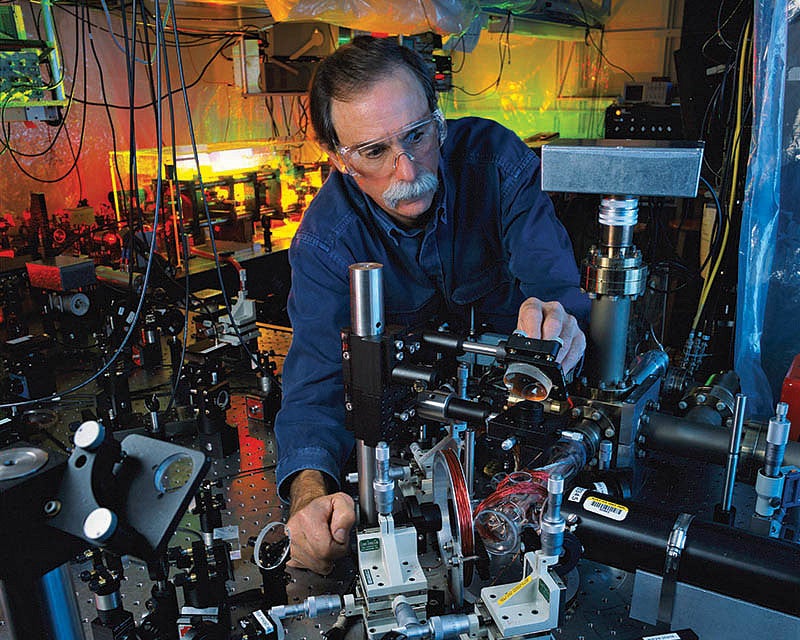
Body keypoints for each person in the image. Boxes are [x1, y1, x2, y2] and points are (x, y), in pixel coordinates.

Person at [274, 36, 591, 574]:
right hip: (415, 454)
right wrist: (309, 496)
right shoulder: (327, 244)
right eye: (375, 151)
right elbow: (316, 386)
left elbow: (554, 286)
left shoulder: (494, 160)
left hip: (524, 423)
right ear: (338, 158)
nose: (407, 169)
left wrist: (557, 324)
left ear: (437, 117)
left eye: (418, 135)